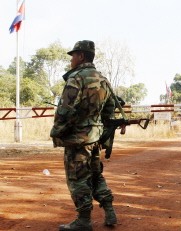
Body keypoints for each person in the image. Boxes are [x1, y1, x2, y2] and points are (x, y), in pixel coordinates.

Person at [50, 40, 117, 231]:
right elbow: (110, 109)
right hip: (95, 138)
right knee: (95, 175)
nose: (71, 60)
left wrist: (57, 131)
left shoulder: (76, 78)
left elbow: (65, 110)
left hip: (77, 140)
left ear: (81, 56)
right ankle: (109, 210)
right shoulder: (103, 79)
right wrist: (98, 128)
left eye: (73, 56)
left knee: (77, 179)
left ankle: (84, 220)